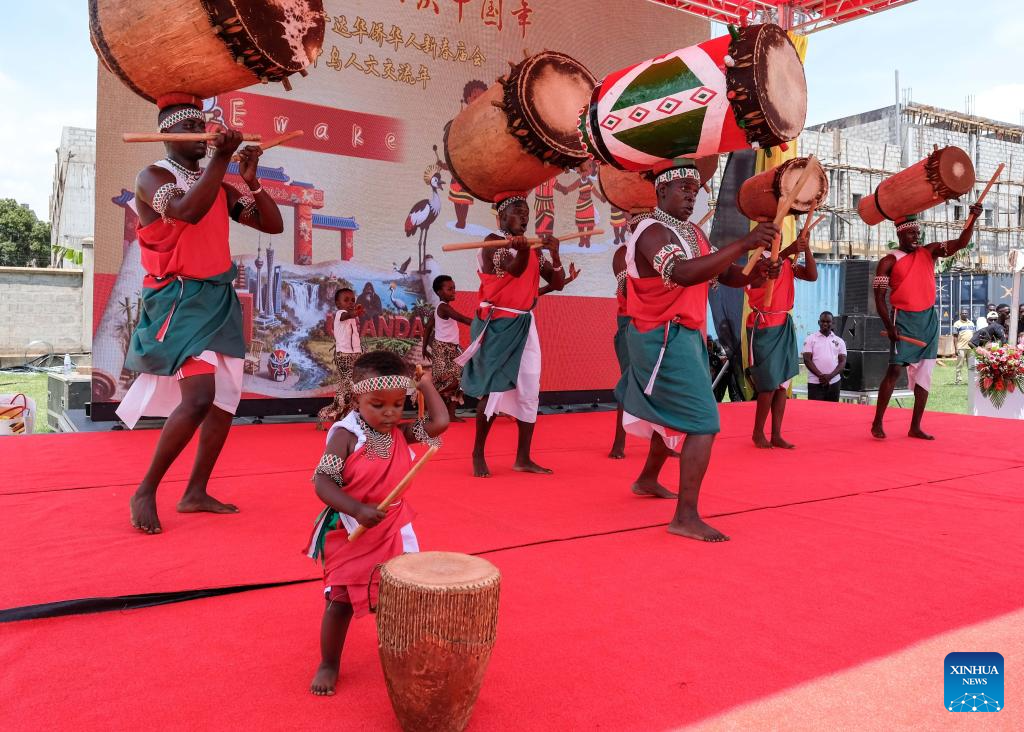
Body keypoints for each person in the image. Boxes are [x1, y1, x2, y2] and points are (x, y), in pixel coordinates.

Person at [118, 93, 284, 534]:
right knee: (197, 399)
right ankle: (146, 489)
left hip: (219, 298)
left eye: (205, 130)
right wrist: (224, 159)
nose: (204, 138)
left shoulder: (221, 186)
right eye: (191, 129)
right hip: (179, 298)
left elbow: (273, 225)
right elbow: (184, 211)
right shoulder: (153, 176)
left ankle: (194, 491)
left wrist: (251, 178)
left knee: (225, 401)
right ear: (166, 135)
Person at [616, 158, 778, 541]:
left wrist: (756, 272)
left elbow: (726, 275)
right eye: (683, 189)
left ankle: (647, 479)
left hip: (683, 336)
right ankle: (685, 516)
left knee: (672, 415)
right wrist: (744, 241)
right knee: (703, 423)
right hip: (662, 337)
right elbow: (684, 273)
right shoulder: (650, 231)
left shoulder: (692, 233)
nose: (692, 196)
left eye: (695, 189)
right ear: (661, 191)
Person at [306, 351, 448, 696]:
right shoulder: (345, 435)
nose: (389, 413)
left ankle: (403, 652)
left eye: (399, 404)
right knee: (339, 601)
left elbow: (440, 423)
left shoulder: (399, 432)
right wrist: (356, 507)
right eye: (378, 404)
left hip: (395, 524)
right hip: (351, 526)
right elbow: (323, 482)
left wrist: (425, 383)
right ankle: (329, 662)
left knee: (402, 595)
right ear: (357, 398)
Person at [459, 192, 565, 478]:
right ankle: (478, 453)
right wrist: (526, 249)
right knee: (494, 389)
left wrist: (554, 254)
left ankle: (523, 457)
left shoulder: (532, 248)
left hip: (525, 323)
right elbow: (515, 271)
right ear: (502, 217)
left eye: (526, 212)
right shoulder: (493, 242)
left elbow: (557, 283)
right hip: (498, 323)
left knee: (530, 388)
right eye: (518, 212)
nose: (525, 217)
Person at [871, 207, 981, 439]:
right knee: (894, 370)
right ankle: (877, 422)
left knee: (926, 373)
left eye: (918, 233)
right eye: (911, 233)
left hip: (929, 319)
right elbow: (879, 298)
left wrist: (972, 219)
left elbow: (960, 243)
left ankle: (915, 426)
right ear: (900, 234)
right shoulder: (888, 261)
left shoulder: (929, 252)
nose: (916, 237)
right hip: (903, 319)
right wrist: (889, 326)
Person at [745, 225, 817, 448]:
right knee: (767, 383)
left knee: (782, 384)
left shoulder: (786, 261)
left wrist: (805, 248)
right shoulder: (756, 262)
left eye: (781, 236)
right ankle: (758, 433)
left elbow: (812, 275)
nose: (779, 239)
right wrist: (788, 250)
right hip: (764, 325)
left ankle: (776, 433)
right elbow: (763, 275)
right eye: (775, 236)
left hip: (783, 323)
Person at [423, 275, 472, 422]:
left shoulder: (440, 308)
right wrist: (481, 323)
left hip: (453, 349)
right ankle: (427, 398)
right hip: (442, 350)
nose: (453, 291)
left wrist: (424, 348)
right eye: (449, 289)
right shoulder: (443, 307)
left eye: (454, 288)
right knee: (448, 380)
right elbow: (462, 319)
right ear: (439, 292)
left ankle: (450, 414)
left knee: (459, 379)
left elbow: (428, 327)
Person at [317, 287, 363, 428]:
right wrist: (354, 313)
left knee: (346, 388)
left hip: (355, 355)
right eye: (346, 300)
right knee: (349, 386)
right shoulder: (340, 314)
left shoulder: (351, 317)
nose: (350, 302)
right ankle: (329, 415)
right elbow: (346, 316)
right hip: (343, 356)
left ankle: (337, 416)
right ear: (338, 304)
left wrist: (359, 353)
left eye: (353, 300)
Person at [802, 311, 847, 402]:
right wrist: (821, 376)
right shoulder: (810, 339)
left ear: (833, 323)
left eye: (828, 321)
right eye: (823, 321)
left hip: (834, 382)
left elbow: (842, 362)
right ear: (819, 322)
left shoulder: (840, 341)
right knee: (815, 412)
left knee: (832, 412)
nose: (825, 324)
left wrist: (830, 376)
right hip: (815, 382)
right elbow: (807, 360)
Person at [951, 309, 976, 384]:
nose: (964, 314)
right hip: (961, 347)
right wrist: (956, 348)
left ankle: (972, 380)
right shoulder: (957, 324)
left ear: (968, 314)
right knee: (959, 365)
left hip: (970, 348)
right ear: (960, 314)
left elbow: (974, 335)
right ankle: (958, 380)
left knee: (971, 365)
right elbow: (955, 337)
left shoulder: (971, 323)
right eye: (963, 313)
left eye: (966, 313)